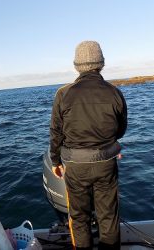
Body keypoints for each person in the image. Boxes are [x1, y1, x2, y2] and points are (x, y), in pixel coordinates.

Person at [50, 41, 127, 250]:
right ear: (101, 63)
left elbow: (56, 132)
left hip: (75, 166)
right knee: (108, 216)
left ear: (77, 65)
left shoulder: (63, 94)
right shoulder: (114, 92)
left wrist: (55, 160)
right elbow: (120, 130)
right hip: (106, 165)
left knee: (79, 216)